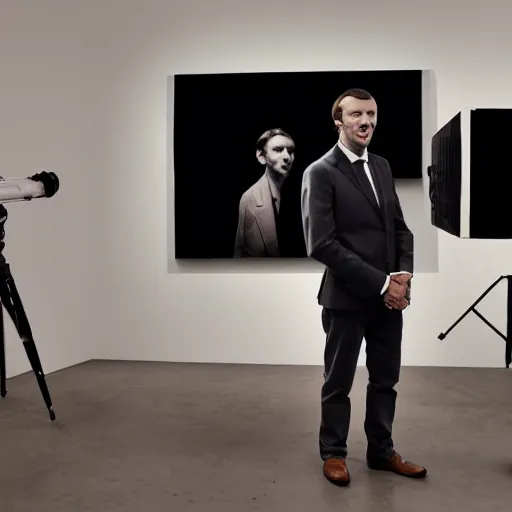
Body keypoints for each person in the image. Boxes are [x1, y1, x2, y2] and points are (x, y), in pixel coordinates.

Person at [300, 88, 427, 486]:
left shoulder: (383, 167)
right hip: (347, 299)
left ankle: (381, 451)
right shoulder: (320, 171)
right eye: (356, 114)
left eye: (371, 114)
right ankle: (334, 453)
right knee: (338, 381)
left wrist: (403, 275)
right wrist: (381, 283)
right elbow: (321, 244)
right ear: (339, 121)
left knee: (386, 378)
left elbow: (400, 229)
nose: (365, 121)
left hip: (389, 299)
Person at [234, 128, 295, 257]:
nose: (287, 157)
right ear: (261, 156)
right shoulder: (250, 198)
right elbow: (241, 255)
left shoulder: (302, 192)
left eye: (290, 151)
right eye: (278, 150)